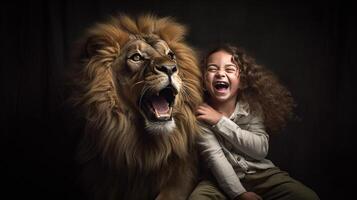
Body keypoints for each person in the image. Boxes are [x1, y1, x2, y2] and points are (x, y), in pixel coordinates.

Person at [189, 44, 319, 200]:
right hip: (217, 179)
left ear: (242, 80)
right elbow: (214, 157)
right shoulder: (200, 114)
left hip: (261, 174)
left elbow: (260, 149)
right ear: (203, 79)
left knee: (307, 197)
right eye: (212, 69)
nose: (220, 74)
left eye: (229, 69)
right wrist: (239, 194)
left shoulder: (252, 107)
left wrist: (220, 121)